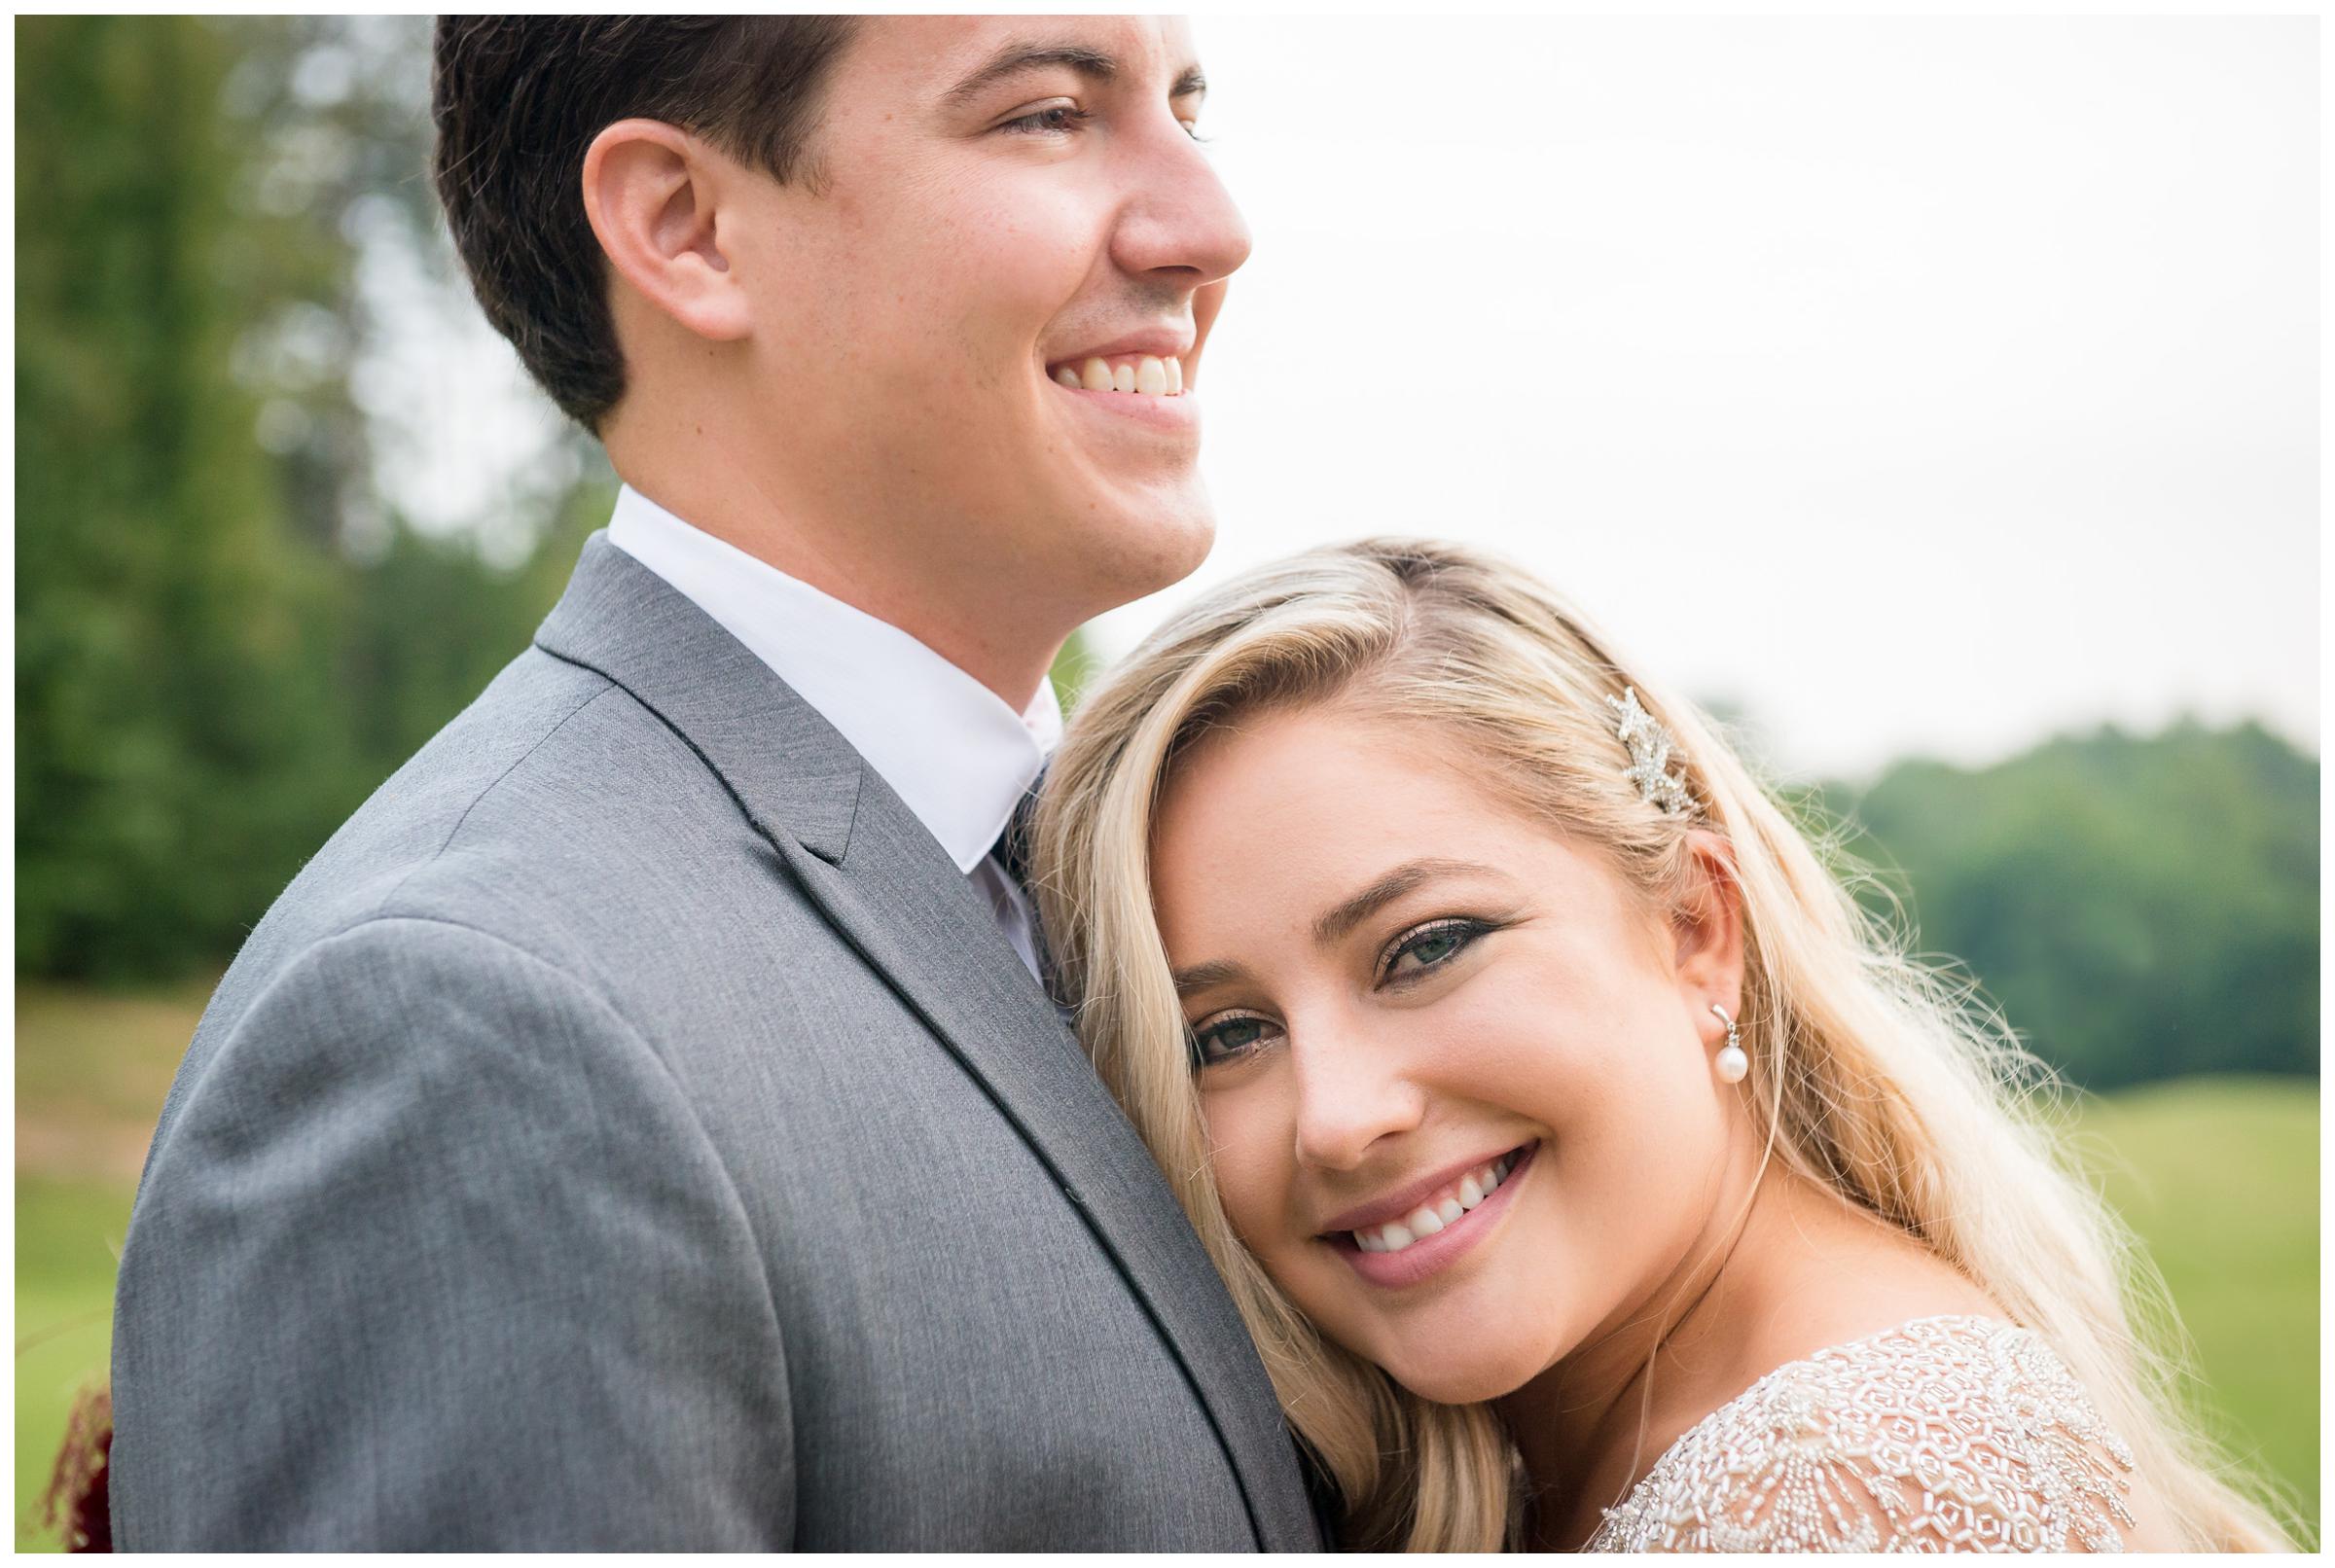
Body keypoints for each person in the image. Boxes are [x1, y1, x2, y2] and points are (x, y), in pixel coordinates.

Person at [107, 17, 1324, 1550]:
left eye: (1186, 109)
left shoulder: (1161, 888)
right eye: (1047, 117)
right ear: (685, 228)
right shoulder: (473, 1031)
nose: (1208, 228)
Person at [1028, 538, 2296, 1551]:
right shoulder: (1597, 1449)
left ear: (1697, 927)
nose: (1337, 1115)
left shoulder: (1863, 1498)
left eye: (1425, 948)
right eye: (1227, 1035)